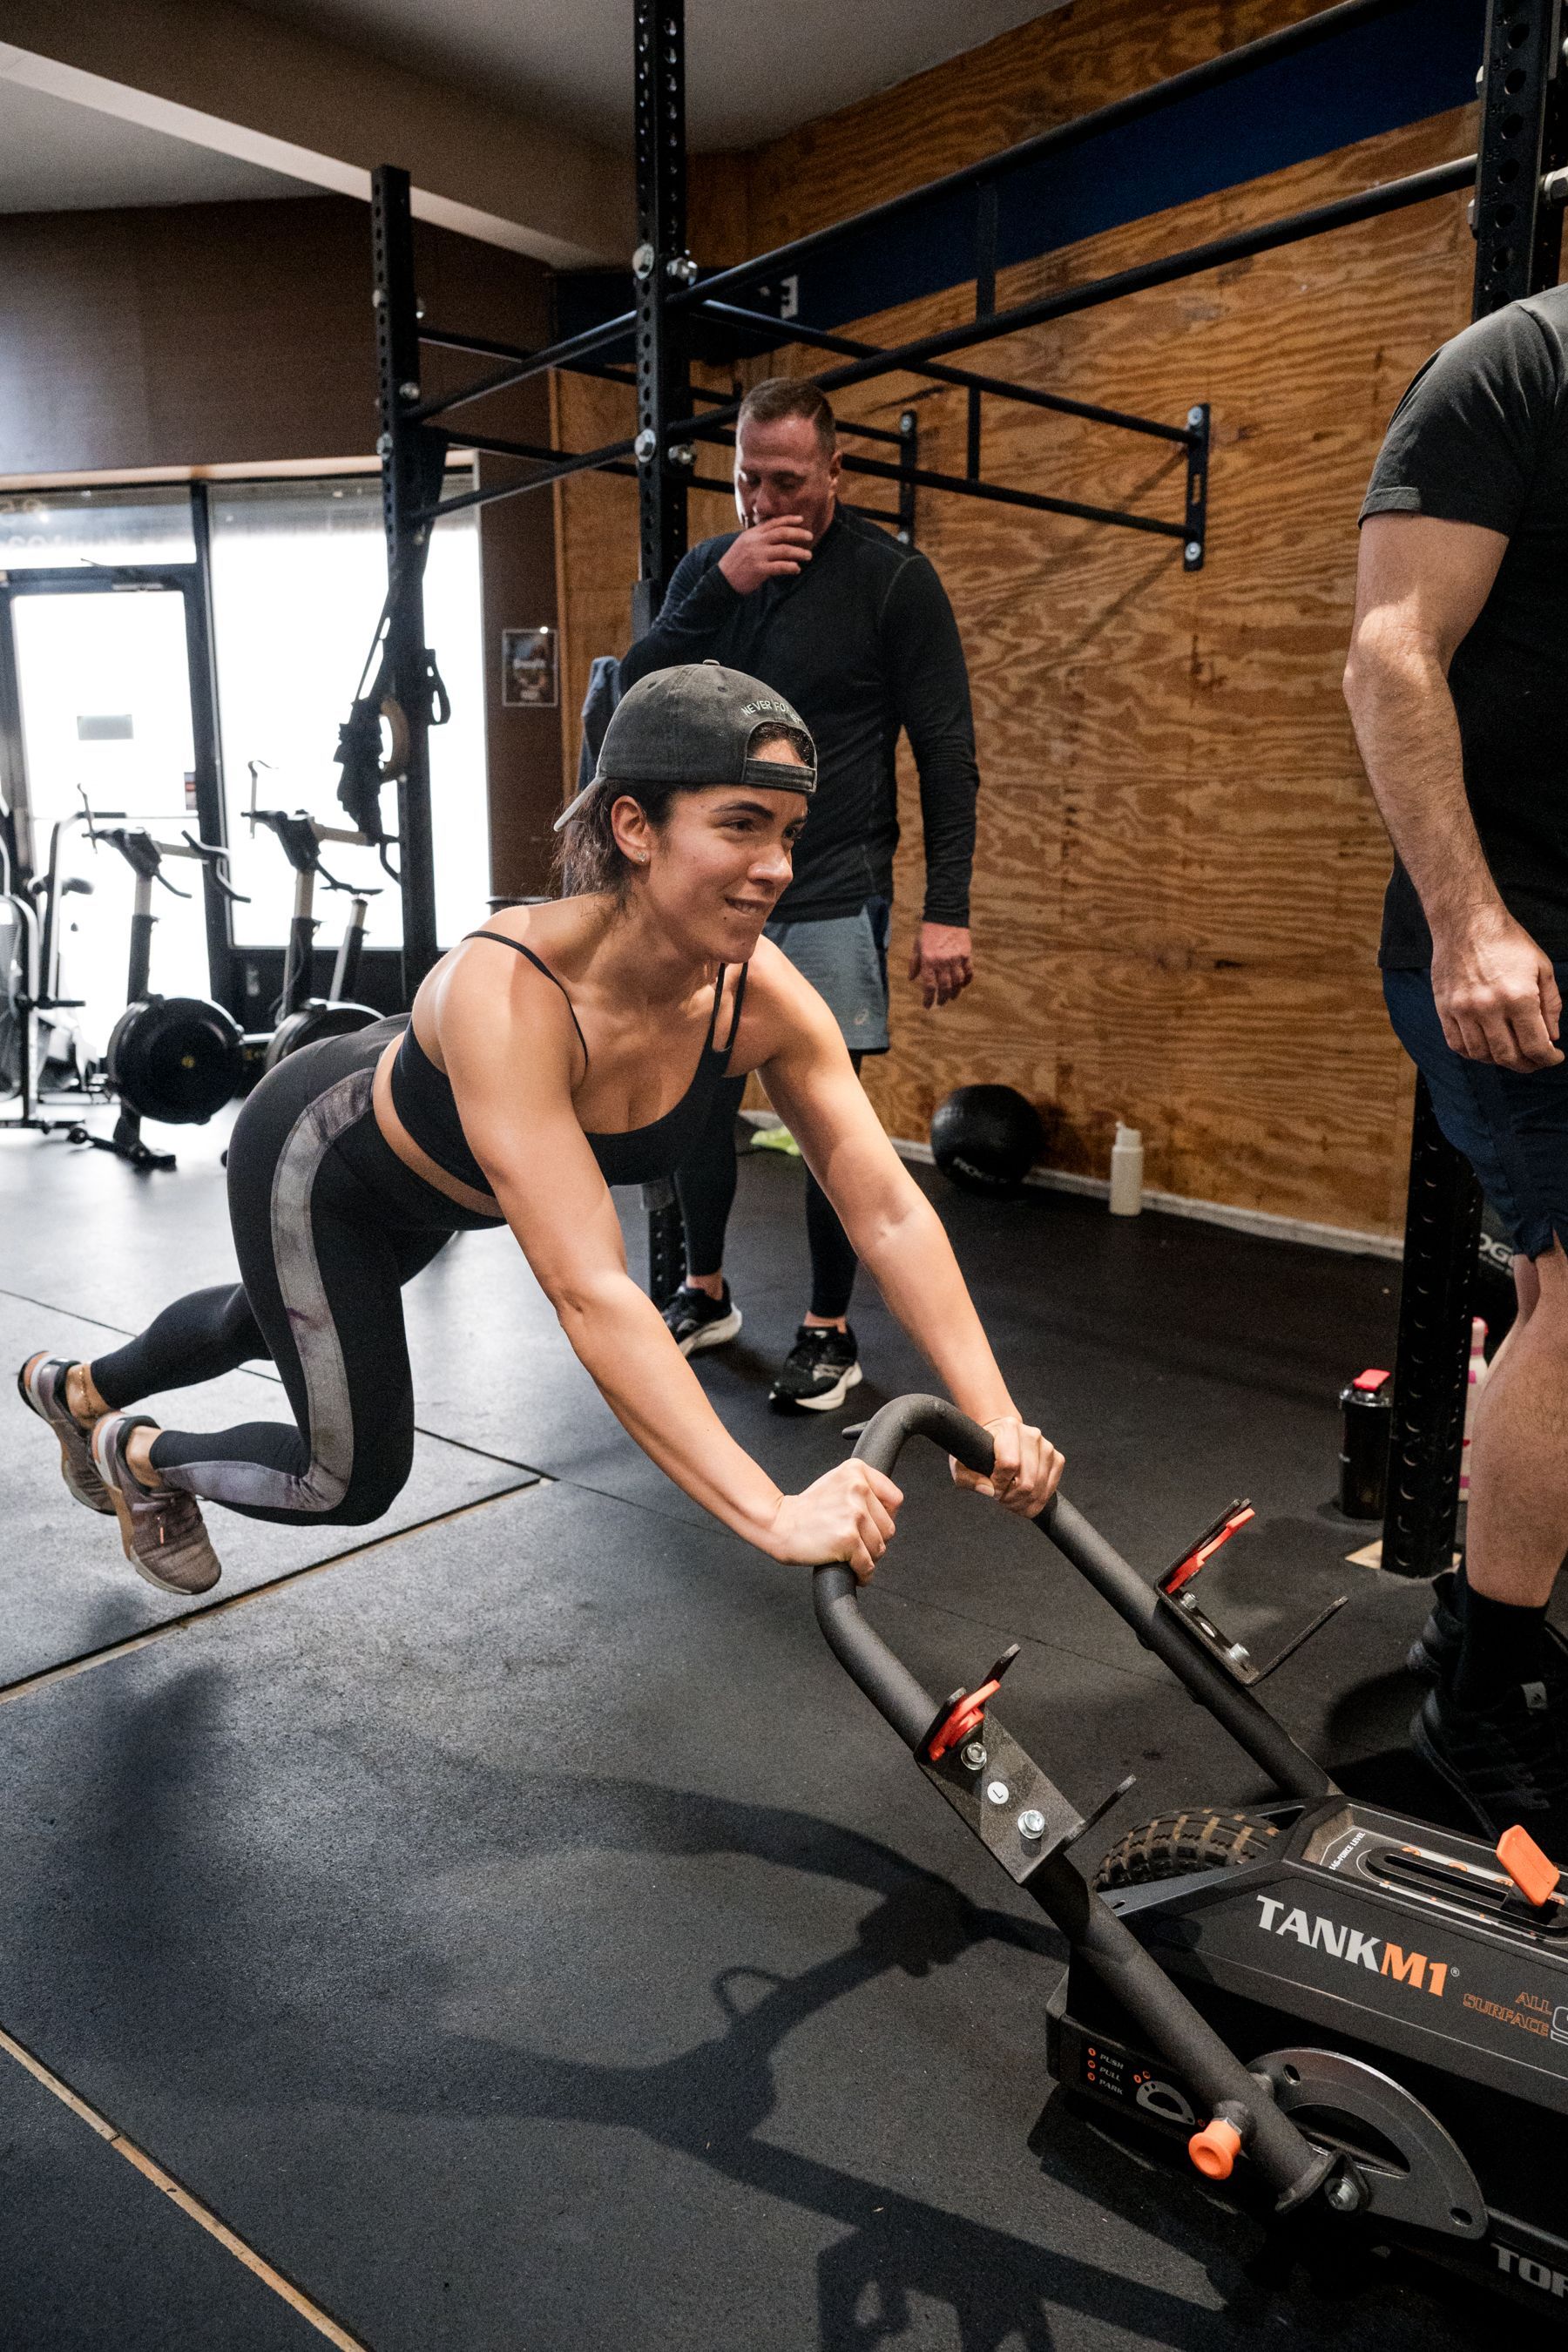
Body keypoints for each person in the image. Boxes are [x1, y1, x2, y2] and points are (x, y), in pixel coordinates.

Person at [18, 663, 1059, 1598]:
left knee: (272, 1322)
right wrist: (773, 1512)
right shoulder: (511, 991)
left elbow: (884, 1212)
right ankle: (135, 1455)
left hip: (445, 1187)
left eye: (787, 834)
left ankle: (75, 1390)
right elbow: (592, 1290)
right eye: (741, 824)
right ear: (634, 828)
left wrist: (992, 1416)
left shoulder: (760, 996)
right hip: (321, 1159)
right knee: (345, 1476)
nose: (778, 865)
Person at [613, 376, 980, 1414]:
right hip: (700, 897)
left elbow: (947, 754)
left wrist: (945, 907)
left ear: (835, 472)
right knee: (693, 1106)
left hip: (826, 891)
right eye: (746, 480)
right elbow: (637, 701)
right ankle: (705, 1292)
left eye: (787, 480)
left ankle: (828, 1330)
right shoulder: (708, 575)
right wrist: (717, 587)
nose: (765, 501)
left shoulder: (891, 580)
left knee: (824, 1119)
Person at [1344, 280, 1568, 1844]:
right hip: (1513, 932)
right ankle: (1475, 1696)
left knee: (1561, 1304)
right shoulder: (1521, 367)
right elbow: (1390, 652)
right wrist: (1469, 920)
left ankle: (1500, 1642)